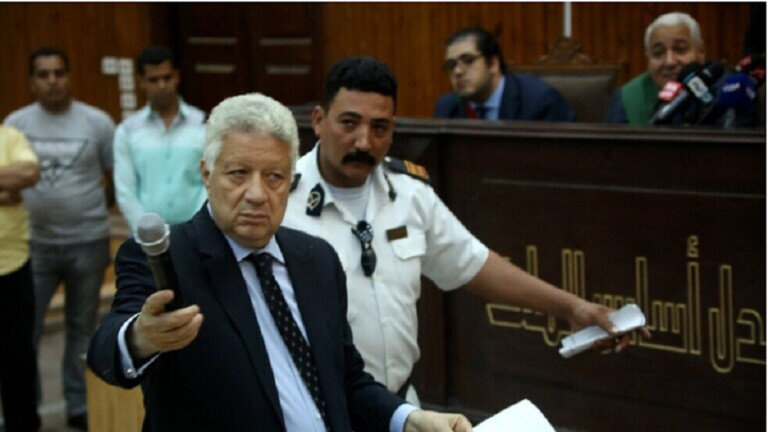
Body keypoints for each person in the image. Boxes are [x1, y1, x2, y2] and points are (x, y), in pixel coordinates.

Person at [87, 93, 473, 432]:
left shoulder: (316, 259)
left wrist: (409, 419)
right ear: (207, 173)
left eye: (273, 177)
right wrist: (140, 338)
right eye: (238, 174)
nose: (257, 194)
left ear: (290, 180)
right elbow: (106, 349)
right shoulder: (167, 260)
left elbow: (346, 379)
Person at [282, 56, 651, 404]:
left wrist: (573, 309)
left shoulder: (408, 193)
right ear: (318, 120)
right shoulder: (281, 203)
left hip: (399, 405)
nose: (364, 142)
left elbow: (475, 263)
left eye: (379, 127)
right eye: (348, 123)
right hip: (318, 409)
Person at [4, 47, 115, 431]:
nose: (52, 80)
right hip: (33, 246)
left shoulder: (98, 122)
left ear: (69, 76)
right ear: (32, 81)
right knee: (23, 333)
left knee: (82, 328)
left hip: (88, 241)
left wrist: (89, 211)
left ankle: (79, 405)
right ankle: (25, 411)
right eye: (43, 74)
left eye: (58, 73)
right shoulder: (16, 124)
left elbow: (112, 176)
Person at [113, 46, 206, 233]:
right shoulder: (127, 131)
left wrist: (197, 227)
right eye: (153, 80)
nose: (162, 86)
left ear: (177, 77)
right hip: (145, 236)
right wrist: (148, 231)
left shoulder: (202, 125)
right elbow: (125, 192)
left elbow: (209, 183)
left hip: (196, 231)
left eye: (167, 78)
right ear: (141, 82)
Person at [434, 26, 574, 121]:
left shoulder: (539, 102)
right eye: (451, 65)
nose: (457, 71)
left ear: (493, 64)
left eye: (468, 60)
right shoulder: (447, 108)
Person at [0, 125, 41, 432]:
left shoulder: (9, 137)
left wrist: (16, 183)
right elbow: (16, 177)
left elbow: (29, 172)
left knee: (17, 358)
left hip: (12, 266)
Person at [604, 12, 706, 125]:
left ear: (700, 52)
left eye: (680, 49)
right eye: (658, 53)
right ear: (648, 58)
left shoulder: (718, 92)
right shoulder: (626, 99)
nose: (669, 62)